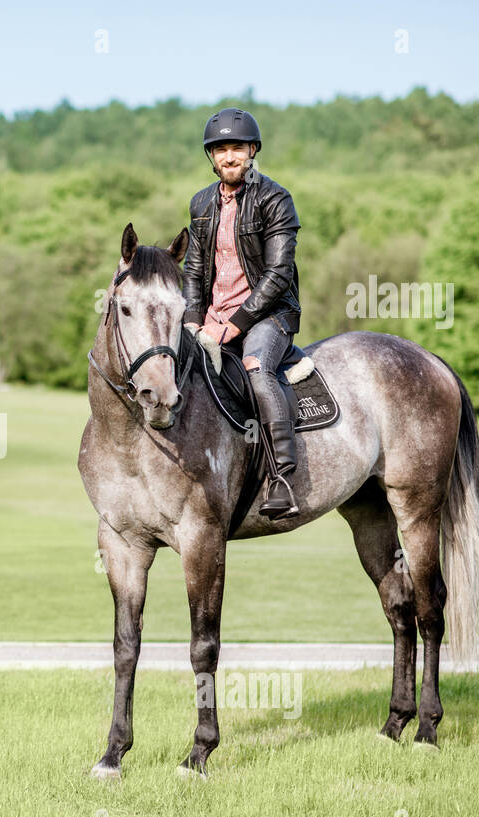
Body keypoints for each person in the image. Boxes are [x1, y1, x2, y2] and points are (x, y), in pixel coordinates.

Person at [181, 108, 303, 519]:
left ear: (252, 151)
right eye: (220, 150)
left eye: (237, 148)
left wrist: (234, 326)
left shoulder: (275, 199)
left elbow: (278, 275)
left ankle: (281, 477)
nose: (229, 157)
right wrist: (192, 321)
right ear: (211, 157)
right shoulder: (201, 203)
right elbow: (194, 270)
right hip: (213, 318)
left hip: (269, 316)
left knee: (255, 367)